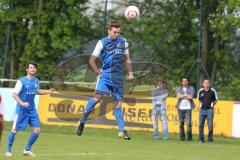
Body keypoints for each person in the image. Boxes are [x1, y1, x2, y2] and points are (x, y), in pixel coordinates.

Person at [76, 20, 134, 140]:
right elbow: (92, 60)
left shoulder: (123, 42)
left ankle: (122, 131)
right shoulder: (102, 42)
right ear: (109, 31)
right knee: (97, 98)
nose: (117, 34)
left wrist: (130, 73)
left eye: (118, 32)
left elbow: (127, 59)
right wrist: (98, 71)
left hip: (118, 77)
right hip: (106, 76)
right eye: (114, 32)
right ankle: (82, 120)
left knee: (118, 104)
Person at [6, 60, 55, 157]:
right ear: (27, 69)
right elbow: (14, 94)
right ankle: (8, 151)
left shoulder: (36, 80)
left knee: (37, 130)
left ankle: (26, 150)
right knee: (14, 130)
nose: (33, 69)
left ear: (36, 70)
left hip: (32, 110)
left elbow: (37, 91)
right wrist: (22, 103)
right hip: (21, 110)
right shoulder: (21, 81)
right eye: (31, 67)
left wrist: (48, 91)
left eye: (34, 68)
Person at [197, 79, 218, 144]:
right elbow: (198, 99)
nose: (206, 84)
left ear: (209, 84)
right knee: (200, 125)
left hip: (210, 110)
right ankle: (201, 139)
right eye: (205, 83)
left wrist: (211, 105)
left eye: (207, 83)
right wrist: (202, 104)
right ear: (203, 84)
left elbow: (216, 100)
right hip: (202, 110)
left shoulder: (213, 91)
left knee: (210, 125)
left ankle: (210, 140)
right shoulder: (200, 91)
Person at [176, 77, 195, 141]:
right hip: (180, 108)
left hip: (188, 108)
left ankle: (189, 138)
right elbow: (178, 96)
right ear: (182, 82)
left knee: (189, 124)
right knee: (181, 124)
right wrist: (186, 95)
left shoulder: (191, 88)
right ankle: (182, 138)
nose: (184, 82)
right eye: (183, 81)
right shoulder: (179, 88)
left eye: (185, 81)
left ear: (188, 82)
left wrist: (182, 95)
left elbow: (191, 97)